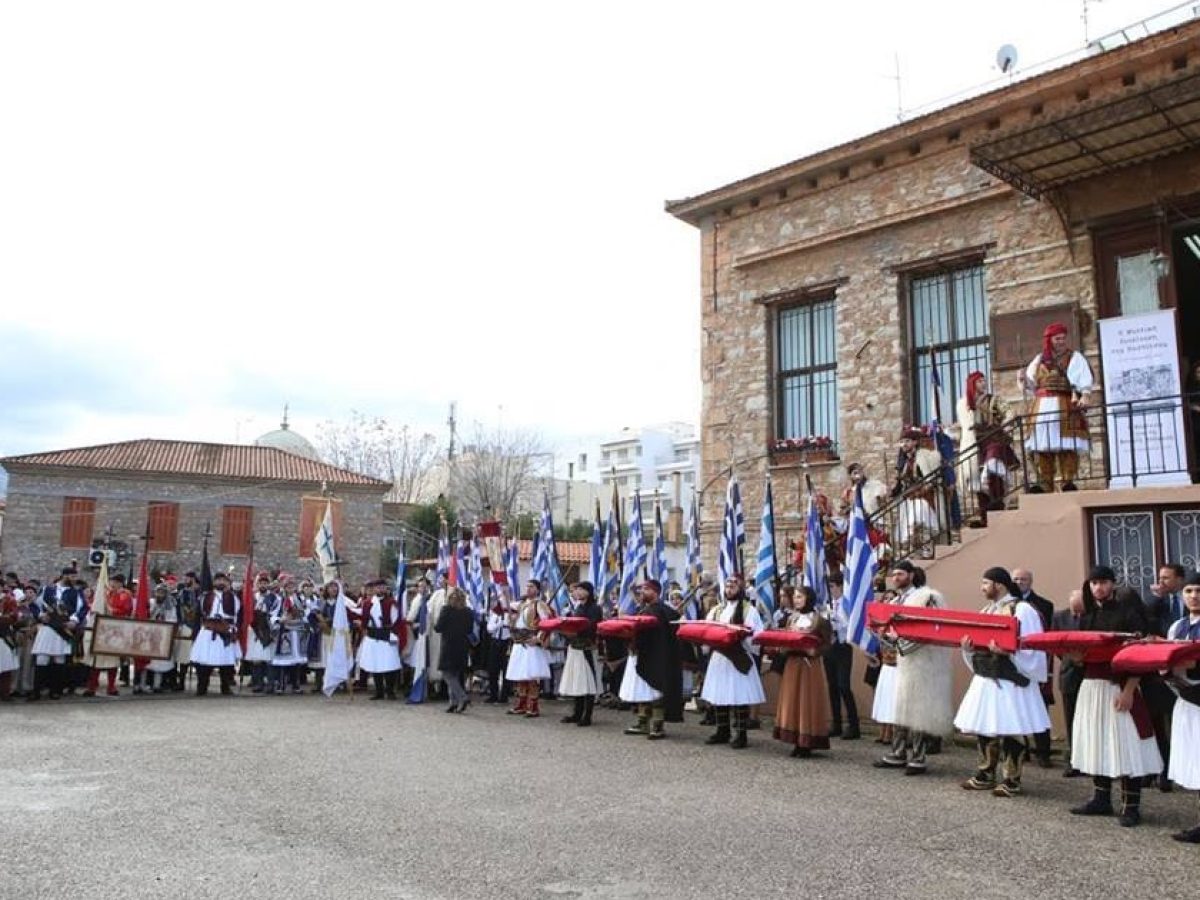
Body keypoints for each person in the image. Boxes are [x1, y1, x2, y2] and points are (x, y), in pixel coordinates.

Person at [1069, 566, 1160, 827]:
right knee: (1096, 740)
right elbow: (1081, 656)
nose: (1099, 587)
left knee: (1126, 743)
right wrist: (1076, 659)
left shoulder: (1129, 615)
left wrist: (1130, 689)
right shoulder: (1086, 617)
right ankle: (1101, 798)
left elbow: (1140, 655)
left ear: (1113, 584)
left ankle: (1131, 806)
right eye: (1094, 582)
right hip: (1091, 687)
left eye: (1104, 582)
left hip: (1119, 687)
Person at [954, 567, 1051, 797]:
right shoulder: (987, 610)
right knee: (985, 727)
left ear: (999, 584)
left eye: (986, 582)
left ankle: (1012, 779)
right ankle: (986, 774)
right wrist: (968, 650)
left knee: (1012, 729)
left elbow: (1032, 645)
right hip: (987, 677)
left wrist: (1008, 652)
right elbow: (978, 644)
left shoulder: (1023, 610)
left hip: (1011, 679)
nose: (982, 587)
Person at [874, 579, 955, 777]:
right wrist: (884, 635)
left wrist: (899, 642)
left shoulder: (928, 598)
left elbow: (927, 632)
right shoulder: (899, 600)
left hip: (922, 664)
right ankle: (898, 752)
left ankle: (918, 757)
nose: (895, 578)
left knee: (919, 713)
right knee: (900, 710)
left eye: (901, 573)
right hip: (902, 664)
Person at [1021, 322, 1093, 493]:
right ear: (1050, 340)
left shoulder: (1075, 357)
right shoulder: (1039, 360)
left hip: (1065, 404)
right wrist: (1023, 379)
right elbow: (1031, 383)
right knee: (1042, 448)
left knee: (1067, 447)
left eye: (1063, 338)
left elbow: (1084, 381)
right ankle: (1046, 484)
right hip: (1042, 408)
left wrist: (1085, 395)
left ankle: (1068, 482)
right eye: (1057, 338)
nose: (1061, 341)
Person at [701, 574, 766, 750]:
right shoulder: (716, 610)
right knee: (719, 694)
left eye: (733, 586)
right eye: (727, 586)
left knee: (739, 696)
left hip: (738, 656)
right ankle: (722, 730)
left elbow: (756, 634)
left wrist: (743, 637)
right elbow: (706, 630)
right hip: (720, 658)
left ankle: (741, 734)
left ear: (741, 589)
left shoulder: (748, 611)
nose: (729, 589)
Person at [619, 580, 683, 740]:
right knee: (643, 690)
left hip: (659, 656)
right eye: (641, 589)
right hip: (642, 654)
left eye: (646, 589)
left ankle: (657, 725)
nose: (642, 592)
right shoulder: (643, 610)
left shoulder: (665, 611)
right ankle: (642, 722)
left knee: (656, 690)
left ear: (655, 592)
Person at [773, 586, 832, 757]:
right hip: (793, 664)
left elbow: (827, 643)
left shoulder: (820, 620)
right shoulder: (791, 619)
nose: (797, 600)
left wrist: (814, 651)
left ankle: (807, 742)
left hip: (809, 666)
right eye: (796, 597)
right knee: (793, 700)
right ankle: (795, 740)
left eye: (800, 597)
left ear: (809, 598)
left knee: (807, 701)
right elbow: (785, 639)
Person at [957, 370, 1019, 526]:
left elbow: (1009, 411)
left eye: (984, 381)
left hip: (993, 439)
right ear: (972, 384)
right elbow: (965, 425)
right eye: (979, 381)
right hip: (975, 444)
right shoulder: (966, 405)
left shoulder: (993, 400)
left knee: (993, 473)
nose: (983, 384)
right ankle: (985, 518)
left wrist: (1007, 424)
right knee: (979, 483)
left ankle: (997, 511)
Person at [1165, 572, 1200, 842]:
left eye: (1198, 590)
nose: (1194, 596)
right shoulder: (1177, 627)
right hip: (1187, 698)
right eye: (1188, 591)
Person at [1013, 568, 1056, 768]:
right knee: (1017, 707)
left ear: (1031, 582)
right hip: (1015, 662)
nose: (1019, 582)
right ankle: (1022, 749)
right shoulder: (1008, 605)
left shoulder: (1044, 605)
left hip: (1037, 659)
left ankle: (1043, 752)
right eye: (1016, 579)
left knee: (1040, 707)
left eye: (1023, 579)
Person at [29, 568, 85, 701]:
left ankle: (55, 690)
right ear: (63, 576)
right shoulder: (48, 589)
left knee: (59, 659)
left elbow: (82, 608)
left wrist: (74, 620)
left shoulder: (76, 592)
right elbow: (35, 604)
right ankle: (37, 691)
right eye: (71, 576)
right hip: (48, 628)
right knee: (42, 658)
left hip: (63, 629)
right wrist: (40, 615)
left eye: (74, 576)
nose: (73, 579)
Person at [349, 577, 404, 700]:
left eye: (382, 587)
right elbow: (363, 616)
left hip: (386, 636)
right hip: (373, 636)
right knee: (375, 664)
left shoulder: (391, 602)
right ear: (374, 589)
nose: (380, 589)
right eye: (378, 587)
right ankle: (379, 691)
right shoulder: (367, 603)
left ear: (386, 588)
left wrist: (391, 631)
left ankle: (390, 691)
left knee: (389, 664)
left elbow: (396, 620)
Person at [890, 427, 942, 558]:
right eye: (902, 442)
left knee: (920, 522)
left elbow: (930, 478)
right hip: (910, 497)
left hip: (924, 496)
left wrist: (920, 492)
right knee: (909, 526)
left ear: (915, 442)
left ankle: (927, 549)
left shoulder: (922, 455)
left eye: (907, 441)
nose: (904, 445)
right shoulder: (907, 461)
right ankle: (915, 551)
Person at [505, 580, 552, 718]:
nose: (528, 588)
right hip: (519, 642)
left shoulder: (539, 604)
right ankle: (521, 703)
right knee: (520, 675)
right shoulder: (521, 604)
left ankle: (533, 706)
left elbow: (546, 622)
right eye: (527, 586)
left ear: (537, 589)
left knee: (531, 676)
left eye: (531, 586)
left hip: (530, 643)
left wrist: (538, 638)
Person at [821, 573, 860, 740]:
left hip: (843, 646)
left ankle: (854, 725)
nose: (831, 590)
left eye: (832, 586)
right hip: (830, 646)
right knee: (832, 686)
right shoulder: (828, 604)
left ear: (840, 586)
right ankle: (836, 723)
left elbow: (850, 625)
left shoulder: (846, 603)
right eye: (829, 587)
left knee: (844, 685)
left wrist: (837, 620)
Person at [559, 581, 603, 727]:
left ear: (588, 592)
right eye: (576, 589)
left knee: (588, 680)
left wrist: (576, 629)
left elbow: (592, 626)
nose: (577, 592)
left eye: (580, 589)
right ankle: (577, 712)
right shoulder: (578, 607)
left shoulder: (595, 608)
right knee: (577, 679)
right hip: (574, 647)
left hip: (586, 648)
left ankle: (587, 715)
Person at [1053, 589, 1086, 777]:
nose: (1078, 614)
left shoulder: (1092, 616)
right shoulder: (1059, 617)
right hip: (1069, 674)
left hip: (1089, 674)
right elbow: (1055, 645)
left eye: (1081, 610)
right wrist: (1069, 659)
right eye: (1075, 610)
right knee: (1071, 718)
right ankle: (1073, 760)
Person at [84, 572, 134, 697]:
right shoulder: (107, 593)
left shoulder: (126, 595)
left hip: (117, 628)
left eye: (113, 581)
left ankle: (111, 686)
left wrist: (111, 610)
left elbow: (126, 610)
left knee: (113, 659)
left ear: (119, 582)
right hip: (102, 628)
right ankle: (92, 686)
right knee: (96, 657)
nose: (111, 584)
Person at [189, 571, 239, 696]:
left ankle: (225, 687)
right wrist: (195, 633)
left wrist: (234, 629)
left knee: (226, 663)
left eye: (224, 580)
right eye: (218, 580)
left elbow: (238, 615)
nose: (221, 582)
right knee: (204, 661)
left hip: (225, 630)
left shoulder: (233, 598)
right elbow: (198, 615)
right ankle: (202, 687)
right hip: (208, 631)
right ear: (214, 582)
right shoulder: (205, 597)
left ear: (227, 583)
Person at [434, 587, 474, 713]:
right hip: (462, 645)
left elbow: (438, 627)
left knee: (447, 674)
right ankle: (453, 703)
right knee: (455, 675)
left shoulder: (446, 609)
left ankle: (462, 697)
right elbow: (469, 630)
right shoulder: (468, 611)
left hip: (449, 645)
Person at [141, 582, 179, 693]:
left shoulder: (170, 606)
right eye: (158, 592)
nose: (159, 595)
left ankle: (157, 685)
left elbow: (173, 620)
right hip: (149, 635)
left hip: (162, 636)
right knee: (146, 662)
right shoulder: (151, 603)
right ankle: (143, 684)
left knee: (159, 662)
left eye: (162, 592)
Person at [244, 573, 279, 693]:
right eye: (261, 583)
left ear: (268, 584)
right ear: (258, 584)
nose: (263, 585)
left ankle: (270, 684)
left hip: (268, 630)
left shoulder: (274, 598)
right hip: (255, 630)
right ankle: (258, 683)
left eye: (265, 583)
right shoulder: (253, 598)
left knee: (269, 658)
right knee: (257, 658)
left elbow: (276, 612)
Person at [484, 587, 513, 704]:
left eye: (505, 597)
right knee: (493, 670)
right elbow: (489, 629)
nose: (502, 600)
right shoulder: (495, 613)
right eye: (501, 598)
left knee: (506, 671)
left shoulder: (512, 612)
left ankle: (504, 696)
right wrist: (499, 624)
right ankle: (493, 694)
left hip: (507, 643)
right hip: (495, 642)